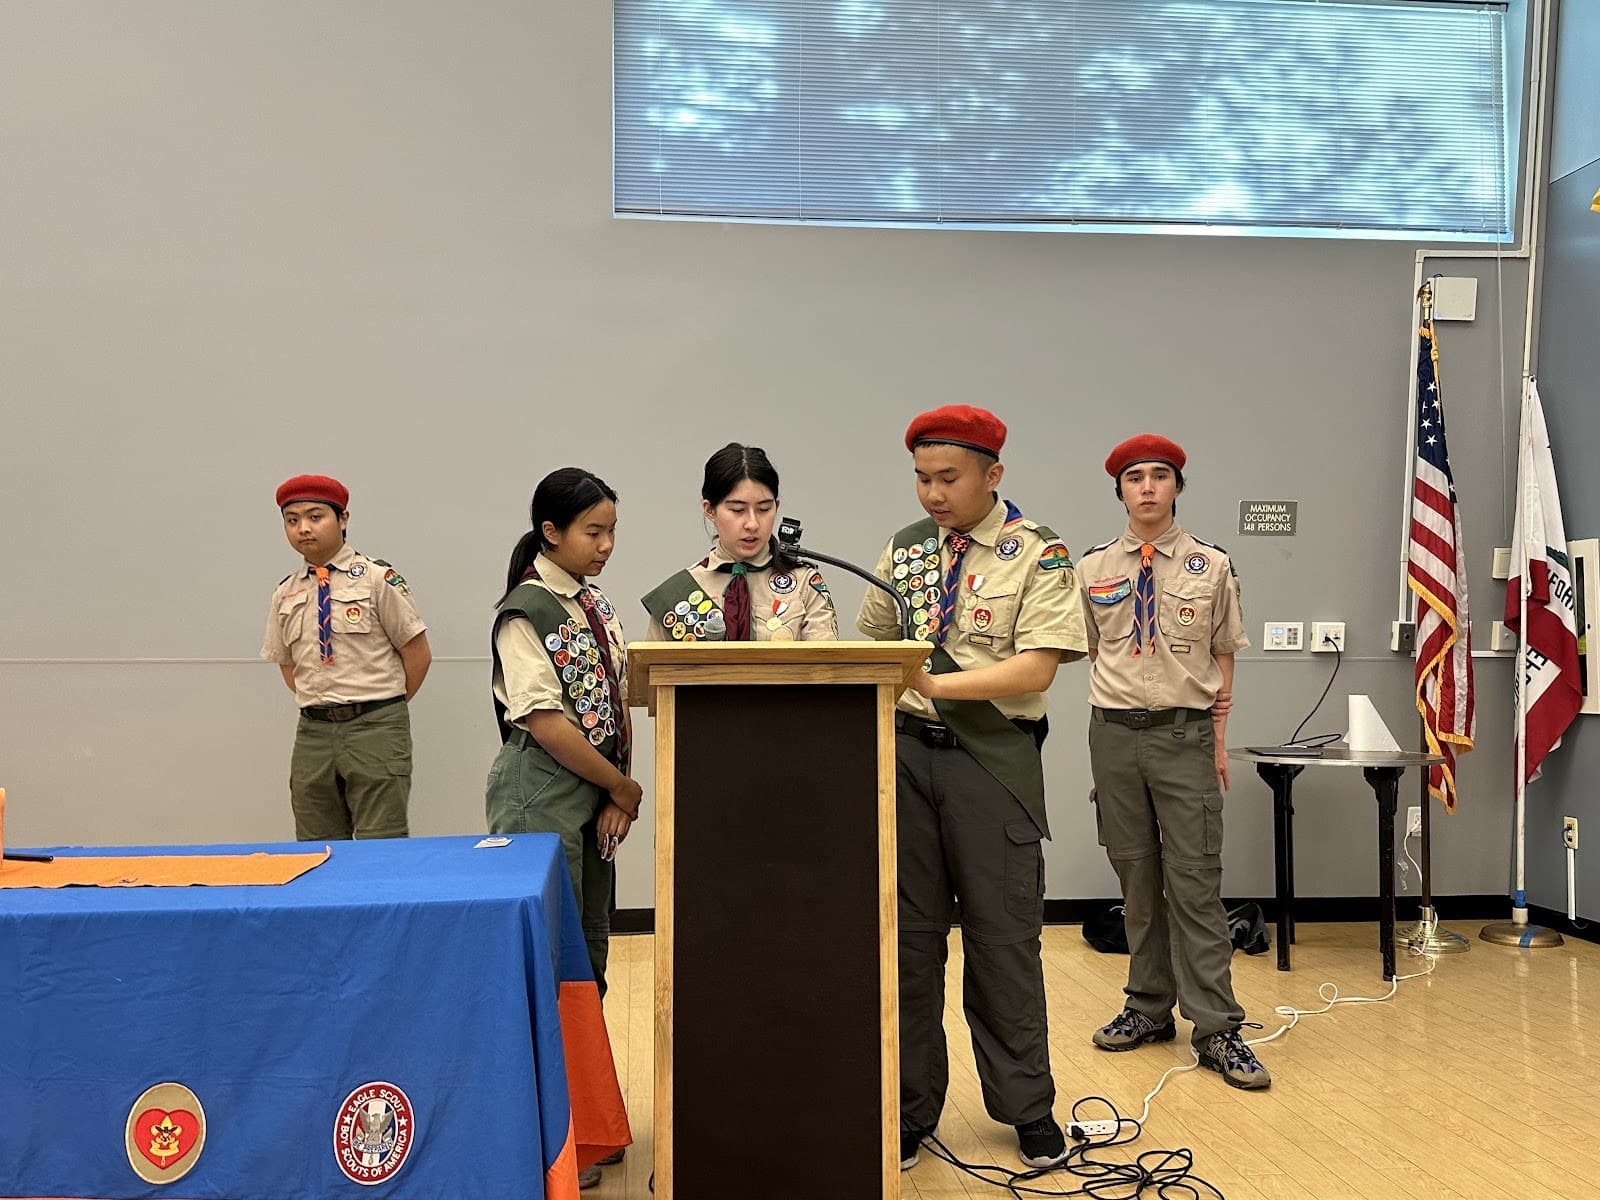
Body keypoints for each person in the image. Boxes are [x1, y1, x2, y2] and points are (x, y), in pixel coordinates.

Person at [857, 405, 1087, 1171]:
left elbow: (1037, 667)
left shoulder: (1038, 554)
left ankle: (1028, 1109)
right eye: (921, 478)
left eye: (947, 478)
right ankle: (909, 1109)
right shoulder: (904, 550)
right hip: (907, 761)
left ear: (993, 474)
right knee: (909, 947)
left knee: (1003, 943)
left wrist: (927, 680)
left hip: (990, 762)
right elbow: (871, 645)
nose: (931, 494)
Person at [1076, 434, 1269, 1089]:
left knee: (1195, 886)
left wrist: (1218, 738)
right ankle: (1147, 1007)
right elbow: (1071, 647)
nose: (1149, 488)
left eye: (1161, 476)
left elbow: (1224, 654)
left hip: (1185, 736)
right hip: (1114, 736)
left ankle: (1217, 1028)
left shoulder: (1210, 565)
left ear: (1178, 487)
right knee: (1136, 881)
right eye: (1136, 478)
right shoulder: (1093, 568)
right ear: (1121, 491)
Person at [488, 468, 639, 1190]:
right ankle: (547, 1140)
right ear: (551, 533)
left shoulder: (593, 602)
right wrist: (619, 785)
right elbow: (547, 722)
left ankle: (586, 1122)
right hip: (540, 793)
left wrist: (618, 793)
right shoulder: (526, 611)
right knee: (546, 967)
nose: (606, 544)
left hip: (594, 793)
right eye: (593, 531)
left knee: (589, 962)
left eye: (611, 530)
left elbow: (617, 696)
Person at [262, 474, 430, 841]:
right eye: (292, 520)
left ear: (343, 519)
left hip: (375, 725)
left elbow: (417, 654)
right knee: (316, 845)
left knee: (380, 844)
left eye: (315, 516)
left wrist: (384, 706)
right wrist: (324, 701)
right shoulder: (286, 592)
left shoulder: (376, 579)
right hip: (313, 731)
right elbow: (288, 664)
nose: (303, 528)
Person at [641, 443, 837, 642]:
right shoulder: (676, 595)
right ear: (710, 510)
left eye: (764, 509)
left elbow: (827, 668)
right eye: (737, 510)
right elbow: (654, 670)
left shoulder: (804, 585)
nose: (752, 524)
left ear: (776, 506)